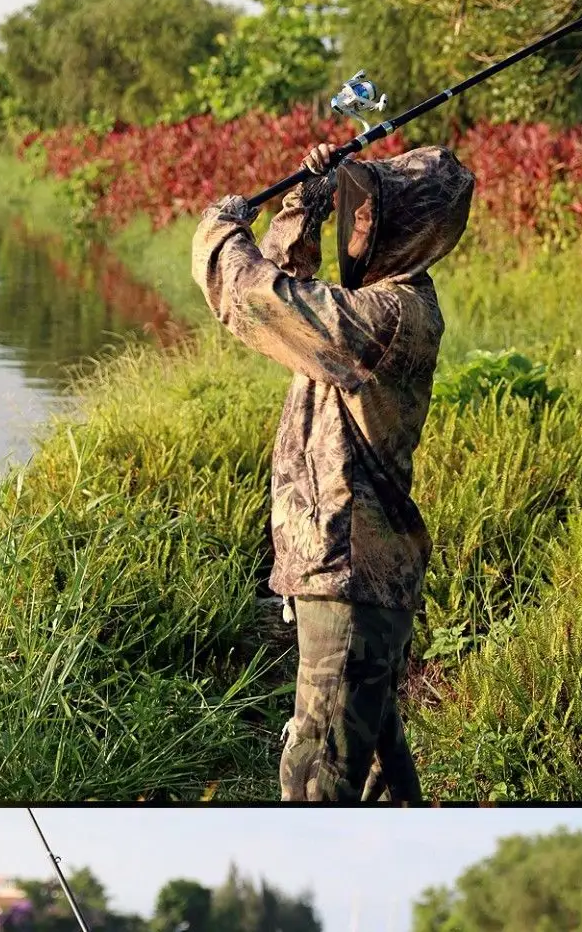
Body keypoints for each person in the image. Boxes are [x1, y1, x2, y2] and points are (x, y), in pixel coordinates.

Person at [191, 139, 475, 802]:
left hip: (350, 582)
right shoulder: (377, 300)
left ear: (410, 234)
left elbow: (260, 298)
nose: (358, 227)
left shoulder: (389, 317)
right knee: (379, 769)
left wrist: (219, 230)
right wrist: (308, 199)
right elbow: (294, 279)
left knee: (317, 777)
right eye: (358, 211)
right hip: (353, 582)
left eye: (371, 218)